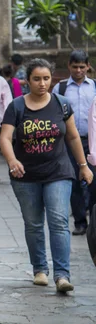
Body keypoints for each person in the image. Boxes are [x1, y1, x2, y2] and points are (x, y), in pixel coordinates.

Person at [0, 58, 93, 293]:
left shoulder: (62, 104)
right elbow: (5, 138)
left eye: (46, 79)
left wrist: (83, 165)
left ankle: (62, 275)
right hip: (25, 175)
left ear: (52, 79)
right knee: (33, 224)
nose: (42, 84)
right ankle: (40, 269)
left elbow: (72, 137)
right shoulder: (17, 106)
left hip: (58, 172)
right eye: (37, 79)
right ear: (28, 80)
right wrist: (12, 161)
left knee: (59, 222)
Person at [52, 50, 96, 235]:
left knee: (94, 182)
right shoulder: (60, 89)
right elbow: (53, 114)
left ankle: (93, 221)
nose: (78, 70)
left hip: (92, 143)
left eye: (82, 67)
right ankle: (80, 222)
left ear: (88, 67)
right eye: (75, 66)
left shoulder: (94, 86)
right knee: (74, 182)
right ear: (69, 66)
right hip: (69, 143)